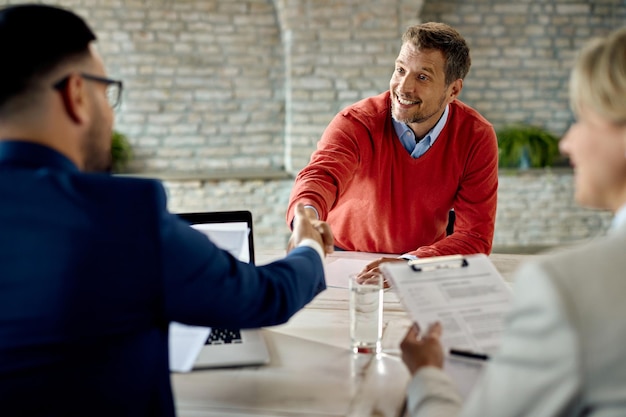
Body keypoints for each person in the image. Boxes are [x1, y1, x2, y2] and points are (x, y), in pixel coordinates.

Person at [0, 4, 333, 416]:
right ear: (77, 94)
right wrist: (308, 246)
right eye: (106, 91)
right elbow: (265, 296)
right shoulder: (121, 217)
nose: (110, 113)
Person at [399, 26, 626, 417]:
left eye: (583, 119)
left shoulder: (566, 289)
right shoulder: (360, 119)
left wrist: (427, 376)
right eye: (401, 69)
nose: (566, 142)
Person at [286, 22, 498, 265]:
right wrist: (307, 218)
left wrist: (409, 262)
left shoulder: (476, 136)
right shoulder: (356, 122)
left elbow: (474, 236)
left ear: (453, 90)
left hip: (423, 262)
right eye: (400, 70)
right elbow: (321, 176)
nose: (404, 87)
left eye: (422, 77)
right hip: (342, 256)